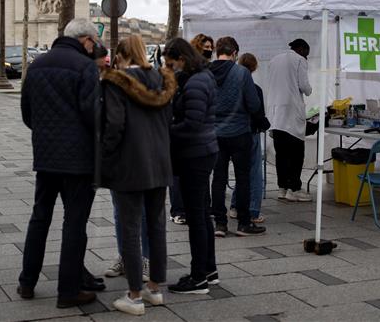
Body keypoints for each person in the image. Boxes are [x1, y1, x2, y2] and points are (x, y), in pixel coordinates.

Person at [17, 19, 101, 308]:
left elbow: (26, 112)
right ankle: (68, 291)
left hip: (45, 156)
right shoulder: (85, 66)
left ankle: (27, 282)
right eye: (93, 42)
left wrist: (46, 134)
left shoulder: (37, 65)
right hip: (78, 160)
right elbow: (93, 114)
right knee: (74, 222)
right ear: (86, 41)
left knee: (40, 217)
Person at [100, 35, 176, 315]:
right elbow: (168, 120)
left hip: (129, 163)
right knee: (157, 226)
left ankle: (134, 295)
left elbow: (114, 125)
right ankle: (154, 288)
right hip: (159, 162)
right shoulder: (161, 80)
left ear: (121, 56)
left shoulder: (115, 82)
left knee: (130, 228)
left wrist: (104, 156)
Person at [163, 37, 220, 295]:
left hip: (194, 154)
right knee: (203, 214)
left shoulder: (196, 82)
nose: (170, 67)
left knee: (196, 216)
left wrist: (166, 130)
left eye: (171, 62)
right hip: (202, 151)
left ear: (182, 59)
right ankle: (209, 269)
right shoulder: (200, 77)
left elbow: (192, 123)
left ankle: (198, 278)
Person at [208, 36, 265, 237]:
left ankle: (220, 224)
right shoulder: (242, 73)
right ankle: (243, 223)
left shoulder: (206, 73)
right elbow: (254, 104)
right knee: (243, 178)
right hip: (240, 132)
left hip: (214, 134)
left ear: (216, 52)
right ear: (234, 53)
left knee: (218, 179)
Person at [266, 39, 313, 202]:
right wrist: (310, 89)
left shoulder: (274, 60)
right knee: (296, 154)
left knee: (281, 154)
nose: (307, 57)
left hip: (276, 114)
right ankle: (294, 188)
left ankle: (282, 188)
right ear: (302, 49)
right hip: (291, 114)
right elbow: (304, 87)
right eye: (307, 53)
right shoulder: (299, 60)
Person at [230, 53, 270, 224]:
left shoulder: (230, 87)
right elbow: (257, 112)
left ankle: (234, 206)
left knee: (241, 172)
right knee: (254, 173)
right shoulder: (255, 89)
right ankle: (253, 209)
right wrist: (265, 124)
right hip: (251, 132)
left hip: (233, 132)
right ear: (254, 68)